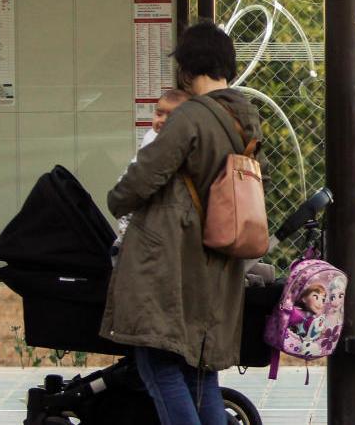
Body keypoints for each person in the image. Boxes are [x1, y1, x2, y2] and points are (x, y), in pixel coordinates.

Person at [100, 21, 268, 425]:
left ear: (187, 68)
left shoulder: (190, 117)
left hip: (171, 261)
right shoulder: (247, 116)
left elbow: (144, 178)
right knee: (199, 369)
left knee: (158, 363)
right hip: (217, 260)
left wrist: (116, 198)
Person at [111, 88, 190, 265]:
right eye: (159, 113)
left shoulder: (176, 147)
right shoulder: (152, 140)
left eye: (170, 116)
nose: (161, 120)